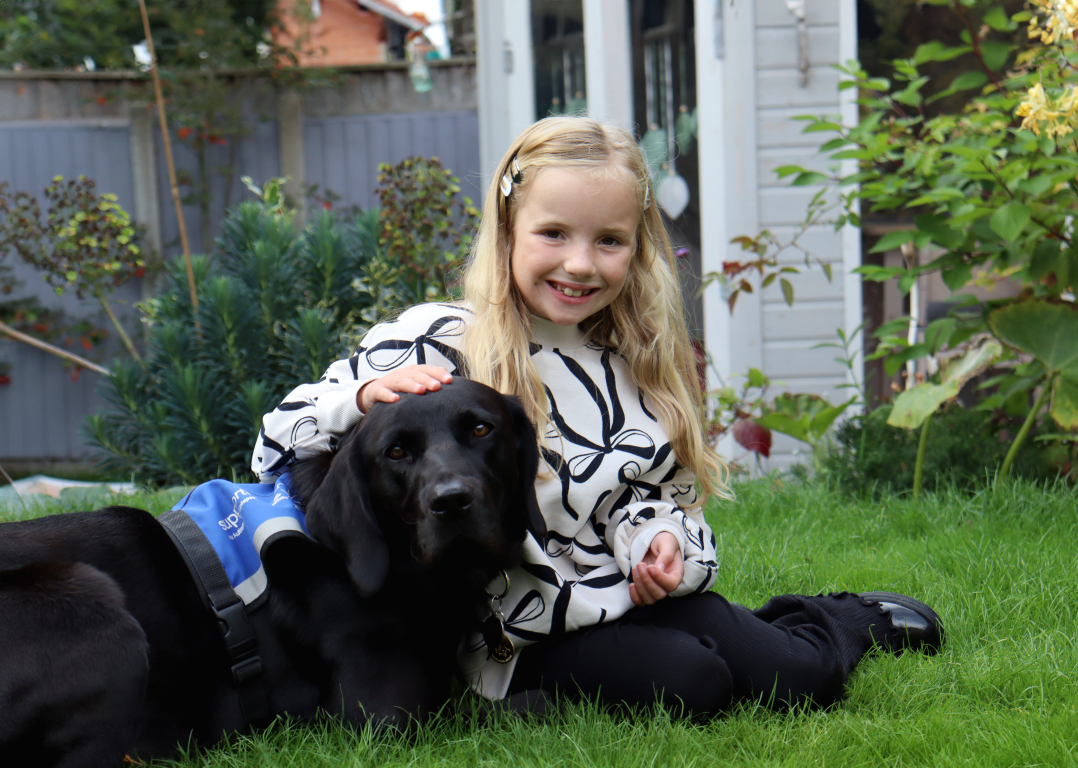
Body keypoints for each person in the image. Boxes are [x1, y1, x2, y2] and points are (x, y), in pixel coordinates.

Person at [251, 116, 943, 718]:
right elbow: (275, 445)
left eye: (609, 240)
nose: (580, 264)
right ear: (508, 229)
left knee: (800, 678)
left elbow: (650, 499)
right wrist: (359, 398)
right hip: (516, 639)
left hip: (625, 597)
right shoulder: (434, 341)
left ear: (638, 246)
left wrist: (657, 538)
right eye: (553, 233)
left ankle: (845, 617)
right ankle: (696, 648)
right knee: (693, 682)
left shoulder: (632, 365)